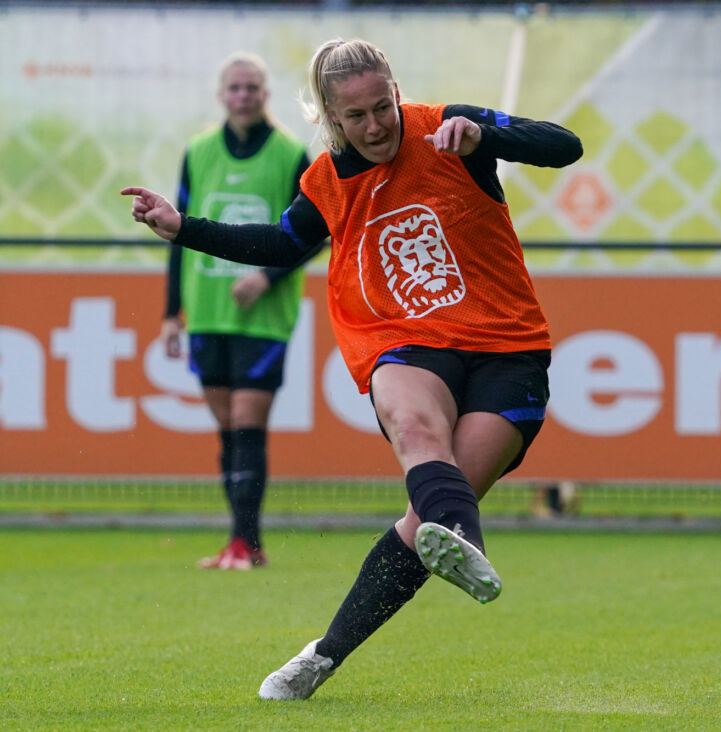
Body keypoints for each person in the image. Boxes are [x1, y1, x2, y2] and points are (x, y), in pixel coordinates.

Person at [122, 38, 582, 699]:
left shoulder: (448, 127)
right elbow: (282, 243)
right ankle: (458, 536)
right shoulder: (326, 179)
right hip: (403, 341)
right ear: (331, 118)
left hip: (509, 348)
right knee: (415, 430)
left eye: (383, 107)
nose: (376, 126)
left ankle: (323, 654)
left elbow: (565, 146)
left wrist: (485, 134)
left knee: (422, 524)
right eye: (357, 116)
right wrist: (181, 227)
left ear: (397, 93)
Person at [164, 52, 317, 571]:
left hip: (264, 315)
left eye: (252, 87)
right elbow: (176, 235)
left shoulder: (291, 153)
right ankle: (238, 541)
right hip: (207, 310)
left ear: (265, 94)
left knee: (249, 419)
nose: (243, 95)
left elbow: (315, 233)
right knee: (228, 425)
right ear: (221, 95)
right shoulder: (199, 151)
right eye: (235, 87)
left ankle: (248, 543)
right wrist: (170, 313)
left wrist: (267, 275)